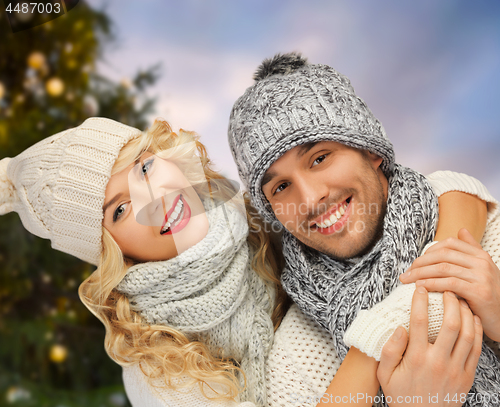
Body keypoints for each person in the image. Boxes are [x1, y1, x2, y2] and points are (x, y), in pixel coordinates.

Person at [0, 117, 489, 407]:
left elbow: (431, 192)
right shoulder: (156, 370)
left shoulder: (251, 218)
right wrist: (386, 365)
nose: (154, 197)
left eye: (145, 167)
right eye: (120, 210)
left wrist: (424, 291)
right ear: (111, 252)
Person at [228, 52, 500, 405]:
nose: (310, 199)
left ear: (371, 151)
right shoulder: (294, 360)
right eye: (280, 187)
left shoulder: (487, 245)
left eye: (320, 158)